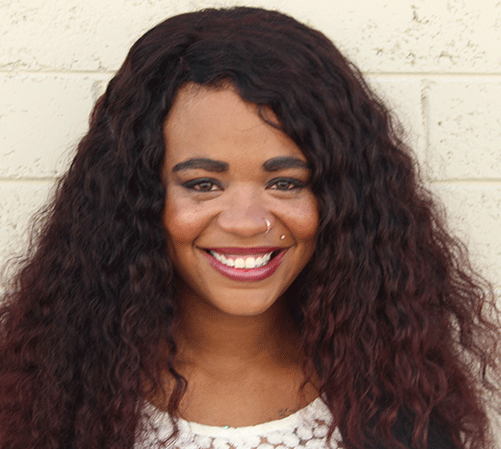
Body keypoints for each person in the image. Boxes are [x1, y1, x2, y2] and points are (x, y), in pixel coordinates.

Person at [0, 6, 500, 449]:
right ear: (134, 198)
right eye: (202, 184)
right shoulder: (52, 400)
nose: (246, 223)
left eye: (285, 183)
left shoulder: (397, 398)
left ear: (343, 200)